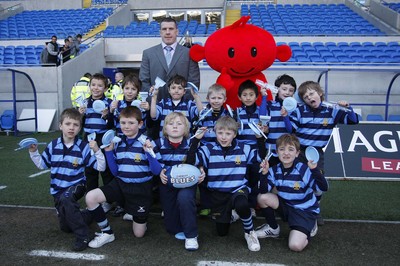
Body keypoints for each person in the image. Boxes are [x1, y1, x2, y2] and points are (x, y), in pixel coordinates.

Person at [28, 108, 106, 251]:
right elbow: (41, 165)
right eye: (68, 124)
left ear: (80, 128)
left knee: (67, 198)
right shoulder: (52, 145)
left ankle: (83, 236)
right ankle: (89, 214)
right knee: (65, 227)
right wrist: (33, 152)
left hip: (77, 185)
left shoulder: (83, 147)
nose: (71, 127)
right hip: (58, 189)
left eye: (75, 125)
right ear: (60, 125)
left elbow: (100, 167)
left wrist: (97, 150)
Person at [85, 106, 162, 248]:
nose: (126, 127)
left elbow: (157, 171)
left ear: (140, 124)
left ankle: (134, 214)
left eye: (131, 123)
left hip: (141, 189)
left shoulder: (148, 142)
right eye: (123, 123)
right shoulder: (118, 142)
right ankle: (107, 233)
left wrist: (149, 153)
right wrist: (109, 152)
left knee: (139, 234)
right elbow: (115, 172)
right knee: (91, 197)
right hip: (120, 184)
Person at [187, 116, 265, 252]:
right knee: (222, 232)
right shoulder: (208, 148)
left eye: (228, 133)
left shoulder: (244, 148)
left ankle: (250, 232)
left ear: (234, 134)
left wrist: (260, 138)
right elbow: (191, 161)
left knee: (241, 203)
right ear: (215, 132)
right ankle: (232, 213)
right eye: (220, 133)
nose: (223, 137)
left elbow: (261, 157)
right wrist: (196, 140)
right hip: (217, 194)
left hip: (238, 189)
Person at [285, 81, 359, 225]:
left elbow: (354, 121)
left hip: (316, 153)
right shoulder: (300, 111)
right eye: (306, 97)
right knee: (298, 182)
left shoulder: (332, 110)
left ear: (320, 93)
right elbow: (290, 129)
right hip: (300, 152)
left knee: (317, 184)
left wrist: (348, 107)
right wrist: (285, 116)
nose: (309, 97)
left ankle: (315, 210)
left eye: (311, 93)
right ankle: (296, 209)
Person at [256, 133, 328, 252]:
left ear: (297, 153)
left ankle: (309, 226)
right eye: (282, 149)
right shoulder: (274, 170)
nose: (286, 153)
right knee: (262, 197)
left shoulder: (303, 169)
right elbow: (263, 191)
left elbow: (323, 187)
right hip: (287, 206)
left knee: (295, 246)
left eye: (291, 149)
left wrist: (314, 170)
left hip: (304, 211)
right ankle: (273, 229)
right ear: (277, 152)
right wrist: (264, 174)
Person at [139, 17, 200, 140]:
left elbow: (194, 82)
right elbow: (144, 81)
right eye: (164, 29)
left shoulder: (189, 53)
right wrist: (153, 103)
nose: (168, 32)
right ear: (160, 32)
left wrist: (179, 103)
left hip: (182, 112)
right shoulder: (148, 53)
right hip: (155, 112)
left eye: (171, 29)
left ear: (177, 31)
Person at [152, 112, 205, 250]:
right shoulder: (157, 143)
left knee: (185, 198)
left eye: (179, 124)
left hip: (187, 182)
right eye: (171, 124)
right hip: (167, 183)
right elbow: (155, 162)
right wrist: (160, 171)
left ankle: (191, 236)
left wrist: (201, 169)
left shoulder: (192, 143)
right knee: (172, 228)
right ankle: (176, 217)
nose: (175, 126)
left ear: (186, 128)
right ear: (165, 128)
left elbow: (196, 162)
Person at [78, 73, 114, 211]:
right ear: (89, 86)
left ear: (105, 88)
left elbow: (111, 125)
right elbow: (79, 124)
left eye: (100, 85)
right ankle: (91, 201)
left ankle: (108, 200)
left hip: (103, 138)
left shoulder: (109, 103)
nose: (96, 88)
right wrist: (80, 114)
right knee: (90, 170)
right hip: (88, 138)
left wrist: (108, 115)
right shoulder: (84, 102)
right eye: (93, 85)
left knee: (105, 171)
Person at [192, 83, 229, 217]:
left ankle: (219, 206)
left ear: (224, 99)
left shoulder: (228, 112)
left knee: (218, 177)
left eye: (219, 98)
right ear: (208, 98)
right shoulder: (203, 112)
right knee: (204, 178)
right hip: (206, 150)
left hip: (221, 150)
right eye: (213, 98)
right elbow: (196, 129)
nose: (216, 101)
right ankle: (205, 205)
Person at [236, 80, 268, 216]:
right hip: (241, 152)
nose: (248, 98)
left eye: (251, 95)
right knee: (242, 178)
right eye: (244, 95)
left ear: (256, 97)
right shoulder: (235, 112)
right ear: (239, 97)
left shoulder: (262, 112)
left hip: (257, 152)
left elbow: (266, 131)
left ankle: (252, 205)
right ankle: (241, 204)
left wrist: (265, 130)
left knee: (255, 178)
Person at [259, 74, 297, 166]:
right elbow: (262, 116)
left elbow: (290, 130)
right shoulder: (270, 105)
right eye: (284, 89)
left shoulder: (295, 108)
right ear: (276, 89)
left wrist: (285, 116)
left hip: (286, 151)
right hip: (270, 149)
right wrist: (264, 97)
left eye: (291, 90)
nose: (287, 92)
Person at [150, 74, 203, 139]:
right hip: (165, 142)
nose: (176, 91)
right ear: (169, 90)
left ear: (184, 91)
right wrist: (154, 97)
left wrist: (196, 96)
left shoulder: (189, 104)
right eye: (173, 88)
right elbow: (153, 116)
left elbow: (201, 113)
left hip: (185, 142)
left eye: (180, 88)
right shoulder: (163, 103)